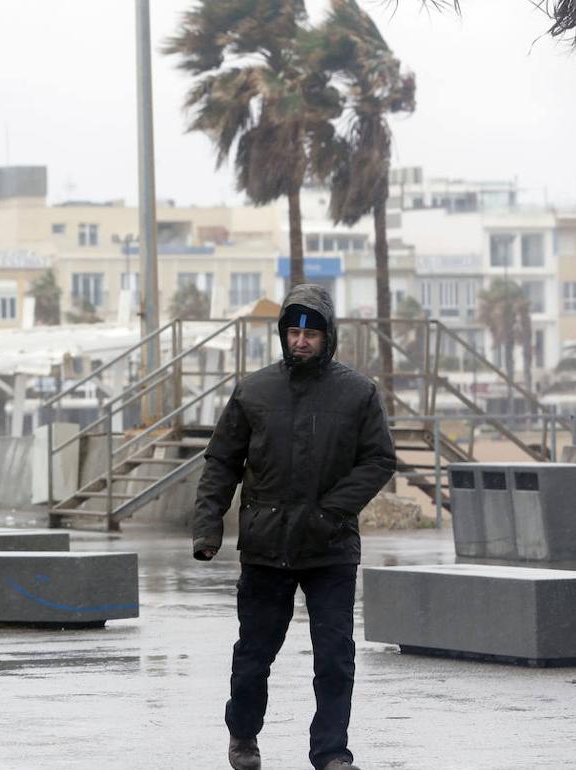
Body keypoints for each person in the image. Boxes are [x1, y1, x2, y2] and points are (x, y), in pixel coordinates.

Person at [192, 284, 396, 770]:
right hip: (266, 547)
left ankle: (331, 752)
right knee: (253, 657)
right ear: (283, 333)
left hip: (331, 547)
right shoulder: (254, 390)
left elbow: (379, 460)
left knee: (334, 658)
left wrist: (331, 512)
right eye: (293, 330)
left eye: (311, 332)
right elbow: (222, 460)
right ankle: (242, 736)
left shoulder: (358, 393)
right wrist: (207, 528)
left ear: (329, 336)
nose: (301, 340)